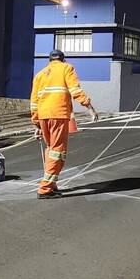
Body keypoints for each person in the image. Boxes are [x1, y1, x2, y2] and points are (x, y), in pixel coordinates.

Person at [30, 49, 98, 199]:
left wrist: (36, 125)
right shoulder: (67, 68)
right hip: (58, 114)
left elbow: (34, 102)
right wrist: (89, 107)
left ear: (49, 60)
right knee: (57, 151)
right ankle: (45, 188)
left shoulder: (40, 75)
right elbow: (75, 90)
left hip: (43, 115)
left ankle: (52, 185)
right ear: (63, 59)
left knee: (51, 150)